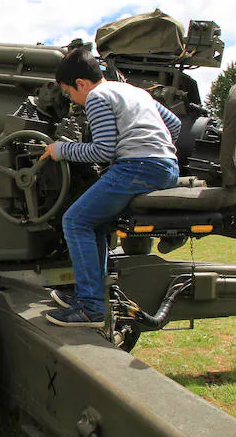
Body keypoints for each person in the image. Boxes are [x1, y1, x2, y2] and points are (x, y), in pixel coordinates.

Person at [39, 47, 181, 327]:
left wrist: (61, 149)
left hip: (138, 167)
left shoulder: (96, 97)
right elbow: (174, 125)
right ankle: (89, 294)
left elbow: (102, 151)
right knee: (97, 224)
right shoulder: (136, 92)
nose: (73, 100)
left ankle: (90, 309)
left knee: (75, 220)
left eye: (69, 93)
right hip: (166, 167)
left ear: (81, 83)